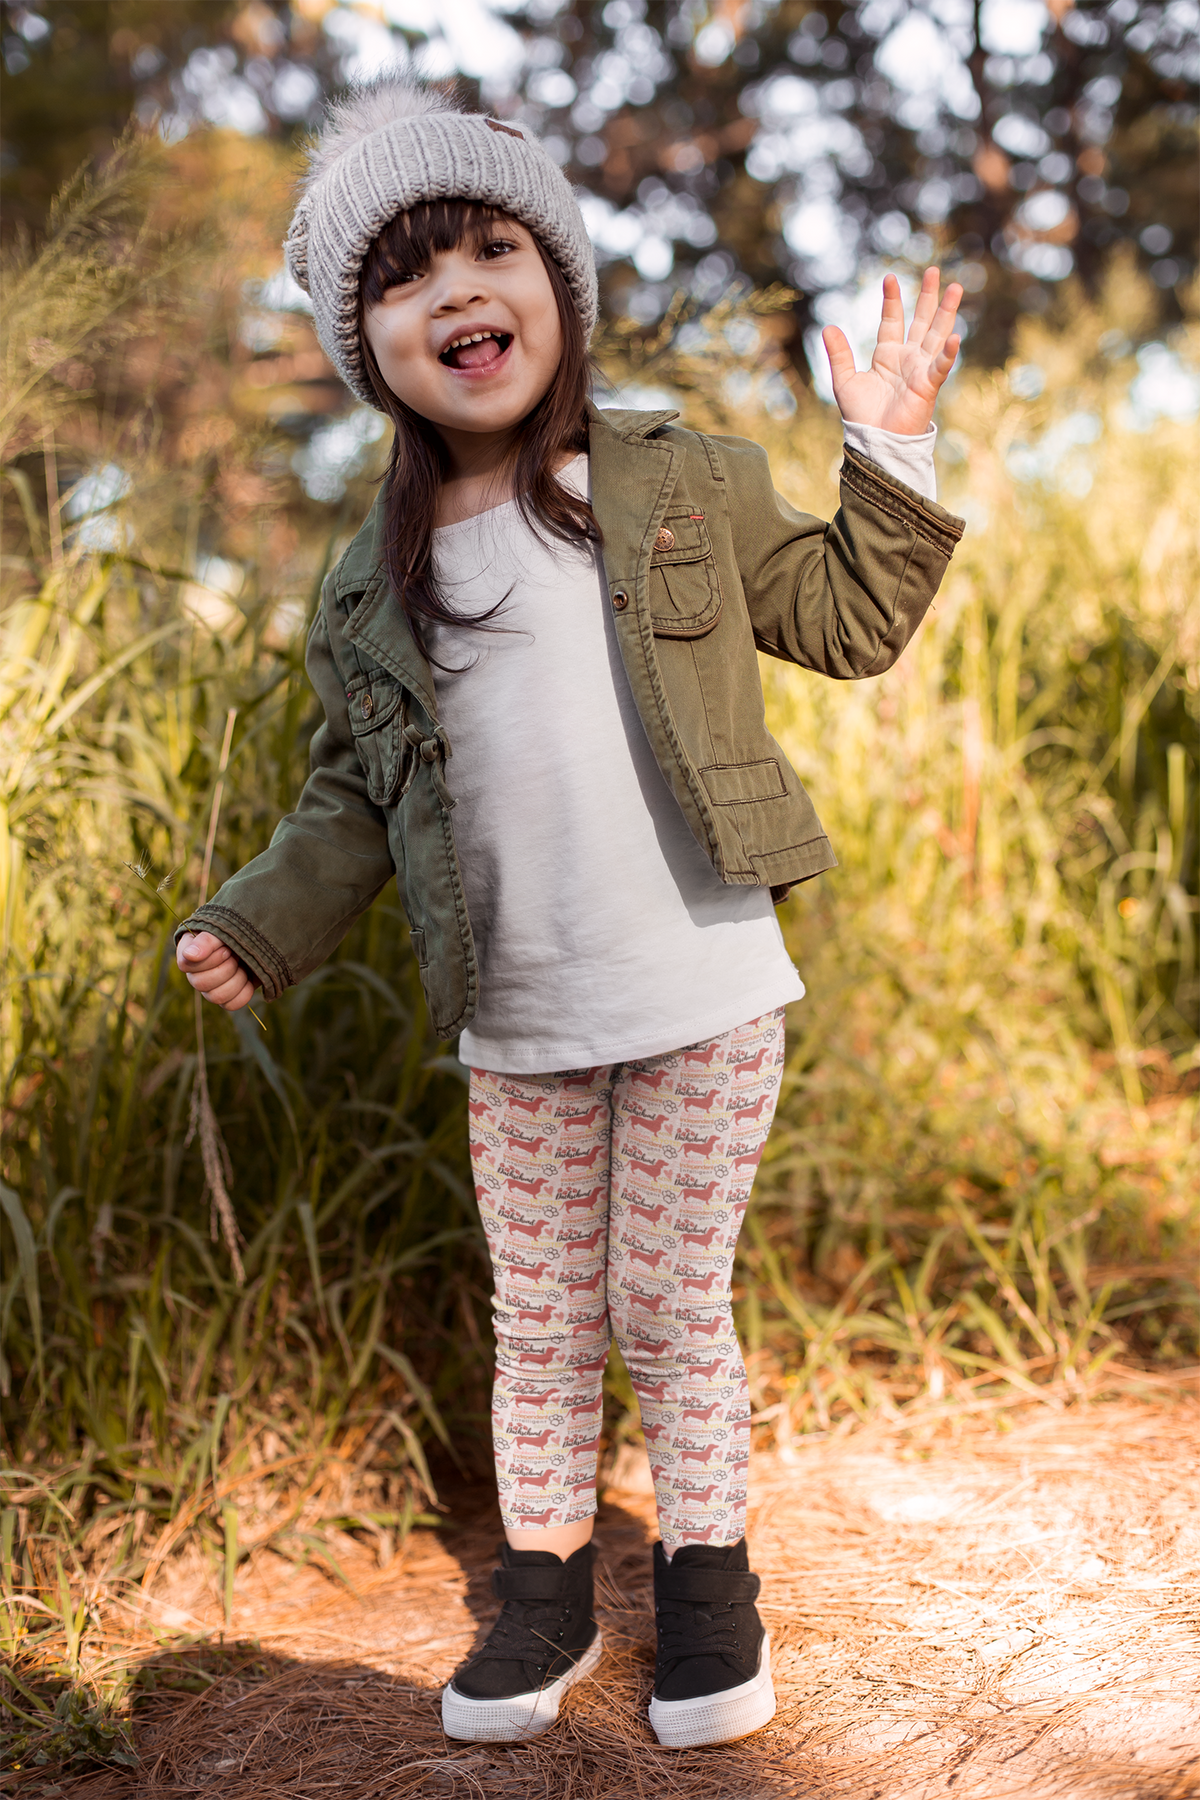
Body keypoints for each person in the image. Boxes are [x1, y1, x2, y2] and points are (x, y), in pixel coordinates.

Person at [176, 77, 964, 1750]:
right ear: (366, 343)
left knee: (670, 1310)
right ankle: (540, 1612)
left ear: (559, 283)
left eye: (488, 250)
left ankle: (707, 1604)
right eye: (406, 277)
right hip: (517, 1012)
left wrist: (887, 444)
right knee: (538, 1323)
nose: (459, 292)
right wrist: (260, 923)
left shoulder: (677, 479)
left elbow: (842, 616)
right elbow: (352, 794)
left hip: (701, 982)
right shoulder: (373, 574)